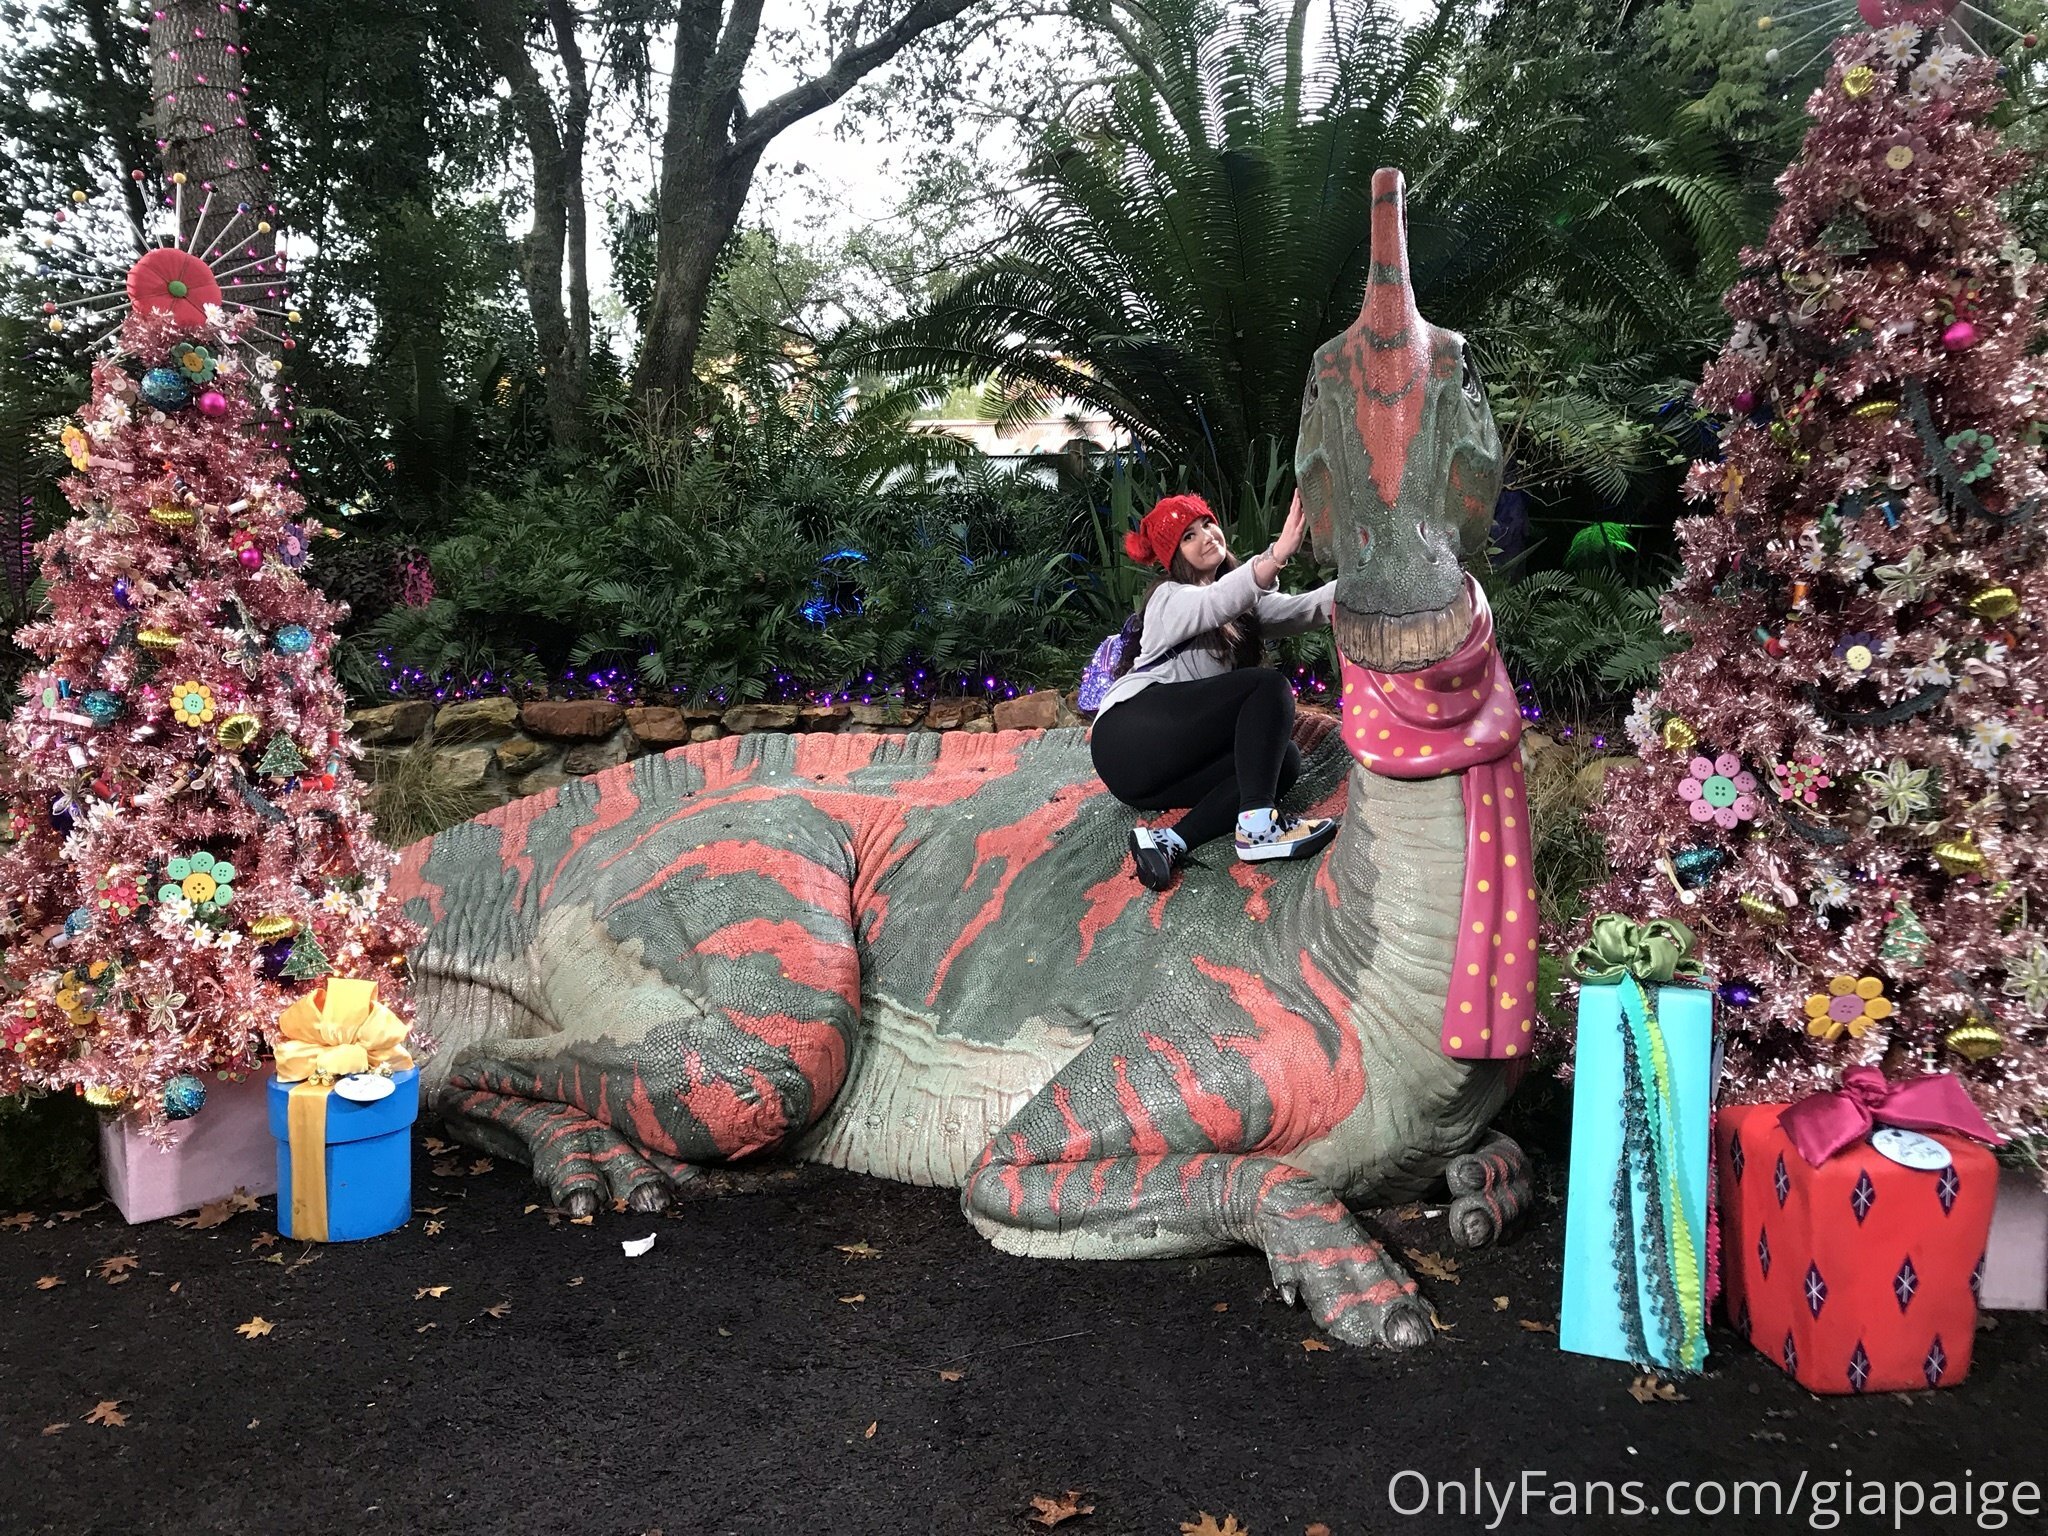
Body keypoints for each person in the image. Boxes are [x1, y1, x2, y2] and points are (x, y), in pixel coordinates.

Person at [1091, 491, 1339, 890]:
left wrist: (1360, 586)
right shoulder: (1168, 598)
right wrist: (1277, 555)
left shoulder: (1238, 603)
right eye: (1188, 536)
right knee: (1267, 686)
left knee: (1282, 762)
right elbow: (1216, 602)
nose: (1206, 536)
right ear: (1174, 556)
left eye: (1207, 524)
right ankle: (1259, 829)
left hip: (1153, 779)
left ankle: (1171, 841)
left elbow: (1304, 608)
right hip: (1127, 739)